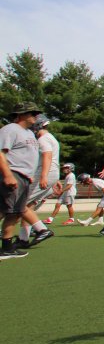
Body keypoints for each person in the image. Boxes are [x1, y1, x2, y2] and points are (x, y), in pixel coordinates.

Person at [0, 102, 42, 259]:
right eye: (32, 113)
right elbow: (1, 153)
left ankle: (6, 247)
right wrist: (8, 175)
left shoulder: (29, 133)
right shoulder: (10, 129)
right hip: (12, 173)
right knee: (3, 210)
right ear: (20, 115)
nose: (35, 116)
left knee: (14, 213)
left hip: (24, 177)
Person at [19, 114, 58, 246]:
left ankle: (42, 229)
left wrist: (44, 176)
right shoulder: (50, 138)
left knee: (20, 204)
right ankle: (23, 239)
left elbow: (47, 156)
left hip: (45, 173)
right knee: (28, 206)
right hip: (51, 173)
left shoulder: (43, 140)